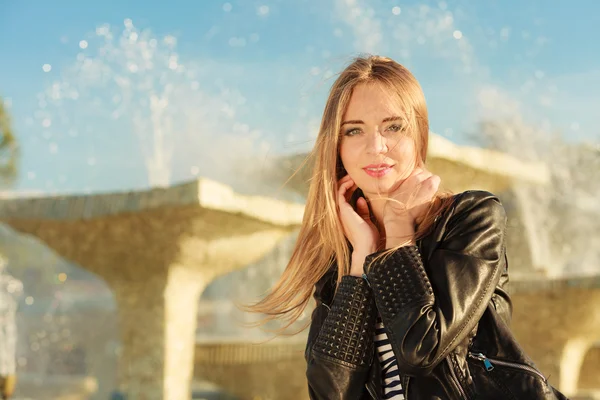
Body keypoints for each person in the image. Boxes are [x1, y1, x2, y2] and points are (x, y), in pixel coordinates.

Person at [246, 55, 566, 399]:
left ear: (419, 134)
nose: (375, 146)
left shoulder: (470, 218)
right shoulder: (343, 256)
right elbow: (329, 391)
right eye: (354, 130)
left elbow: (423, 349)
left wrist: (399, 233)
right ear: (337, 147)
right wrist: (361, 262)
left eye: (393, 127)